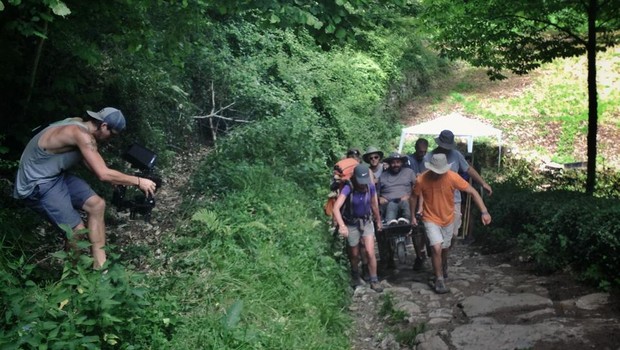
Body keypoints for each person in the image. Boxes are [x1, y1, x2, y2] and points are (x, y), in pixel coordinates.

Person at [13, 107, 158, 269]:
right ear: (103, 126)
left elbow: (87, 160)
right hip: (36, 184)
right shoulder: (80, 134)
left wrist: (114, 179)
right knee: (77, 232)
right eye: (113, 134)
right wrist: (139, 181)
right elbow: (103, 173)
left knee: (97, 205)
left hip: (54, 176)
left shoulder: (77, 123)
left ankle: (101, 268)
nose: (111, 139)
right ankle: (73, 278)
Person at [413, 153, 491, 294]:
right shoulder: (422, 179)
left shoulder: (452, 177)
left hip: (448, 218)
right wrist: (413, 215)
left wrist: (484, 211)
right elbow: (414, 196)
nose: (438, 174)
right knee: (436, 247)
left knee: (444, 248)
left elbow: (472, 191)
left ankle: (443, 264)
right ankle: (439, 279)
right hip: (430, 218)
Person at [424, 129, 493, 276]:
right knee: (437, 243)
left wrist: (483, 183)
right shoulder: (430, 156)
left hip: (453, 200)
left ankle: (444, 258)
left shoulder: (456, 155)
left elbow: (468, 170)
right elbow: (423, 180)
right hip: (433, 203)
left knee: (453, 235)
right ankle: (439, 271)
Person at [332, 163, 383, 292]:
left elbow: (374, 205)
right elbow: (336, 208)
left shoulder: (370, 187)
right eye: (360, 181)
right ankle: (355, 274)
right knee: (354, 254)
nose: (362, 184)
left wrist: (378, 221)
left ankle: (374, 279)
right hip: (351, 223)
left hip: (366, 222)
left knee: (370, 252)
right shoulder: (348, 188)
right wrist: (342, 226)